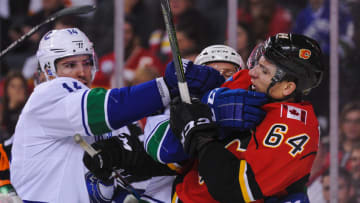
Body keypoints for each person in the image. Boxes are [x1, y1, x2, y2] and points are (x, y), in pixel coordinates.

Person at [10, 27, 225, 203]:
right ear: (48, 70)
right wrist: (168, 86)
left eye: (86, 63)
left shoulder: (110, 125)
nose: (81, 72)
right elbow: (110, 107)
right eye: (70, 65)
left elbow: (105, 189)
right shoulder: (47, 96)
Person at [82, 44, 265, 202]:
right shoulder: (176, 109)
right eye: (212, 72)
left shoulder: (256, 110)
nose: (221, 78)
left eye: (228, 73)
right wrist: (211, 113)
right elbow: (164, 149)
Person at [169, 33, 324, 202]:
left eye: (264, 70)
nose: (252, 72)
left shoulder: (297, 129)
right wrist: (207, 106)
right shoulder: (248, 81)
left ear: (287, 87)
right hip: (180, 191)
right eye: (258, 63)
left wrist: (201, 137)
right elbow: (181, 119)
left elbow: (232, 188)